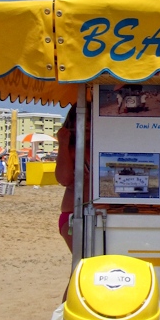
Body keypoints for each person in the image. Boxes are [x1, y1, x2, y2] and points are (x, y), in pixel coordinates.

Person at [55, 106, 90, 252]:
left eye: (90, 119)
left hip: (106, 215)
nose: (86, 124)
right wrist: (63, 144)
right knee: (83, 261)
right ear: (72, 122)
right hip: (73, 216)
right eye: (82, 119)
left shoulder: (106, 148)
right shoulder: (70, 151)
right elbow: (64, 179)